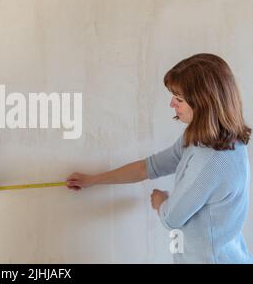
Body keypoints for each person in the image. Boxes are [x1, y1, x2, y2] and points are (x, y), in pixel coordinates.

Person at [66, 53, 253, 263]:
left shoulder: (211, 160)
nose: (172, 104)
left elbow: (172, 218)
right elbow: (148, 167)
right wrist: (93, 180)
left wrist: (161, 201)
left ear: (204, 103)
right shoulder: (207, 138)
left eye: (179, 99)